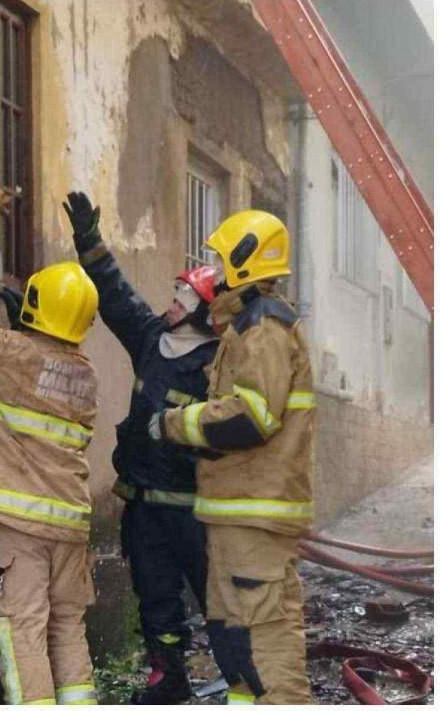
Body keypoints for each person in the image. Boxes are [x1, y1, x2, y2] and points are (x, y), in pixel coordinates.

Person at [0, 187, 101, 706]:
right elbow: (41, 362)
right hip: (70, 525)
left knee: (21, 628)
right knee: (67, 627)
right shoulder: (86, 375)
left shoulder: (10, 354)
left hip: (20, 528)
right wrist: (22, 318)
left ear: (34, 310)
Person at [153, 210, 316, 705]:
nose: (215, 270)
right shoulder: (244, 327)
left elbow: (251, 418)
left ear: (246, 262)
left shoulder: (263, 327)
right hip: (236, 513)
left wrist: (175, 424)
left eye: (221, 260)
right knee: (235, 644)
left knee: (264, 650)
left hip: (254, 513)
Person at [64, 191, 220, 703]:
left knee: (217, 602)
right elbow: (116, 297)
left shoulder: (217, 365)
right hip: (143, 505)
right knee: (155, 599)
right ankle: (166, 677)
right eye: (175, 295)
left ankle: (244, 679)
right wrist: (89, 241)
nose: (171, 304)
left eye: (183, 299)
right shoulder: (153, 340)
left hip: (196, 513)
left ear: (204, 313)